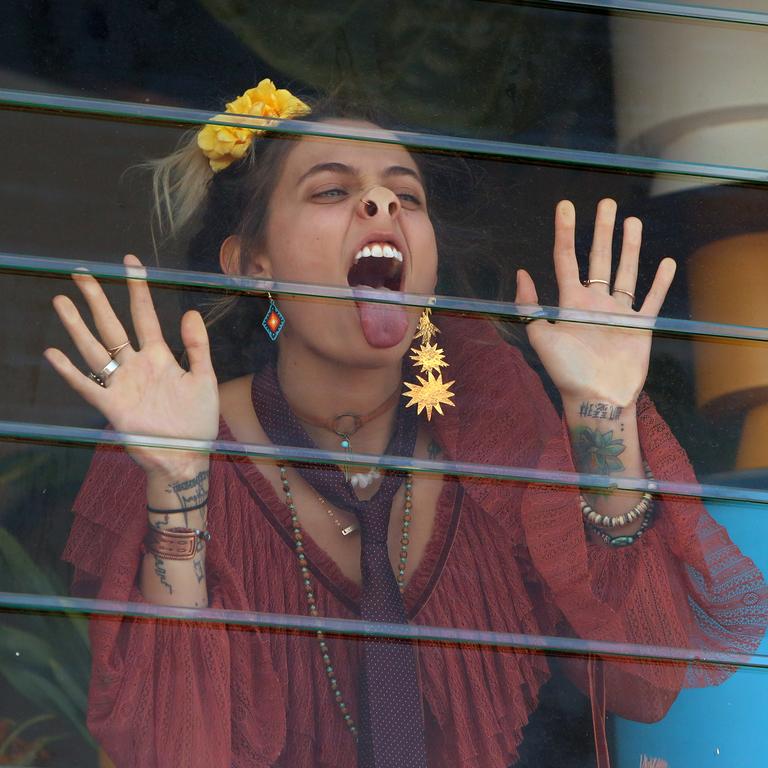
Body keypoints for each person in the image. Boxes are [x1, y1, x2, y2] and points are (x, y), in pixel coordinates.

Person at [48, 81, 766, 768]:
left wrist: (599, 410)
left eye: (406, 193)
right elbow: (171, 749)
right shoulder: (174, 442)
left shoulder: (487, 427)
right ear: (252, 264)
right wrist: (179, 480)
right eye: (332, 190)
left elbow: (642, 683)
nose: (381, 200)